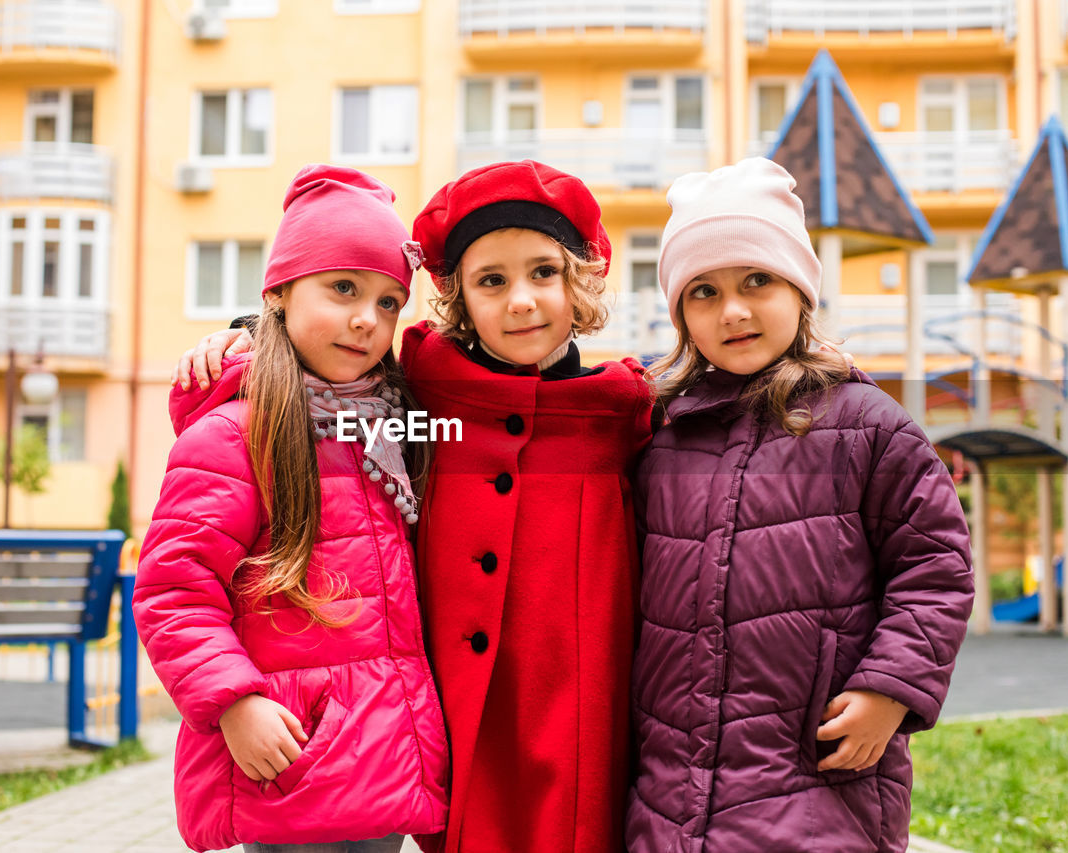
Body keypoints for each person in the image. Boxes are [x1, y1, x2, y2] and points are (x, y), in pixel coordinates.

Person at [176, 161, 653, 853]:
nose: (521, 300)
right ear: (457, 297)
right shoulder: (428, 408)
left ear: (579, 282)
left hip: (577, 725)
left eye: (544, 273)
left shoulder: (618, 415)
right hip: (430, 729)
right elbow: (322, 417)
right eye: (492, 280)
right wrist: (249, 340)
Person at [625, 158, 974, 853]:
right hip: (672, 779)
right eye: (703, 290)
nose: (734, 309)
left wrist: (891, 688)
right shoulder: (659, 438)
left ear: (800, 289)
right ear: (680, 312)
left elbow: (936, 567)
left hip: (819, 768)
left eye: (758, 279)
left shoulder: (870, 426)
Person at [135, 165, 448, 853]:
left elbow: (475, 435)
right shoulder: (234, 436)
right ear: (277, 292)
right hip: (289, 749)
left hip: (387, 756)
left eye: (390, 301)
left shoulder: (395, 426)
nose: (368, 318)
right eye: (343, 288)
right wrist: (233, 702)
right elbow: (173, 587)